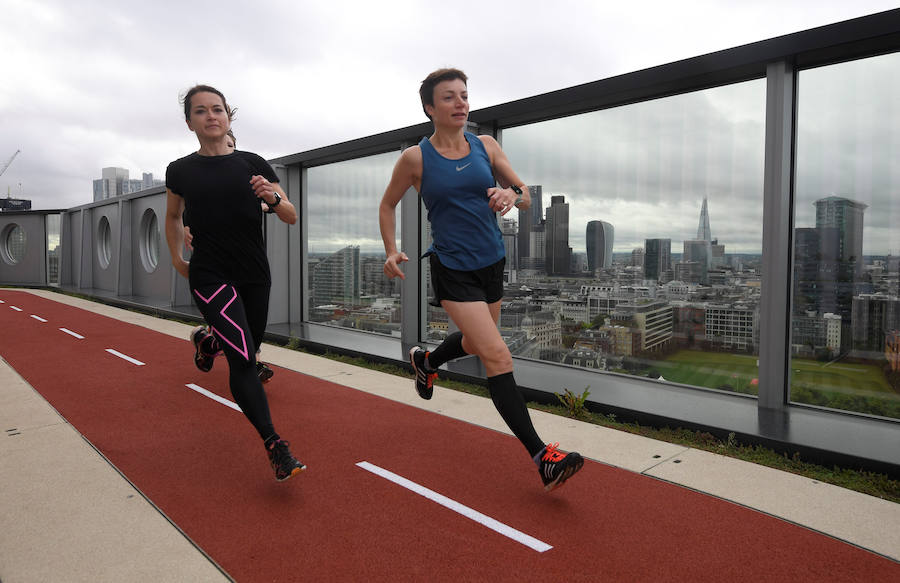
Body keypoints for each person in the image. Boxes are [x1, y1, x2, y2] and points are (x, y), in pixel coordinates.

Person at [379, 68, 584, 492]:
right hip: (452, 268)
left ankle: (427, 361)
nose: (460, 103)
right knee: (497, 355)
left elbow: (525, 195)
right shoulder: (415, 158)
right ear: (430, 108)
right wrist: (389, 248)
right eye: (449, 98)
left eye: (464, 96)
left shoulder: (486, 145)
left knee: (474, 344)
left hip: (492, 263)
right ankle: (542, 456)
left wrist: (512, 194)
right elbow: (387, 205)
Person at [165, 84, 304, 481]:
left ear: (228, 116)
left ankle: (206, 342)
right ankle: (275, 446)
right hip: (209, 273)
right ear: (190, 121)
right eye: (201, 111)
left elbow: (290, 215)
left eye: (218, 109)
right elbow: (174, 216)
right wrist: (178, 257)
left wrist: (273, 199)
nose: (211, 115)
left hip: (253, 272)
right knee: (244, 358)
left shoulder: (252, 163)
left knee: (247, 343)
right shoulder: (180, 170)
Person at [184, 128, 275, 384]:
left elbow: (277, 205)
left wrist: (270, 201)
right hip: (215, 271)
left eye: (232, 145)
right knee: (236, 330)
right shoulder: (200, 180)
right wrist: (185, 230)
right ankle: (251, 365)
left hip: (250, 267)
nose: (229, 150)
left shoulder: (247, 174)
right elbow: (186, 212)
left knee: (245, 330)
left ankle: (205, 342)